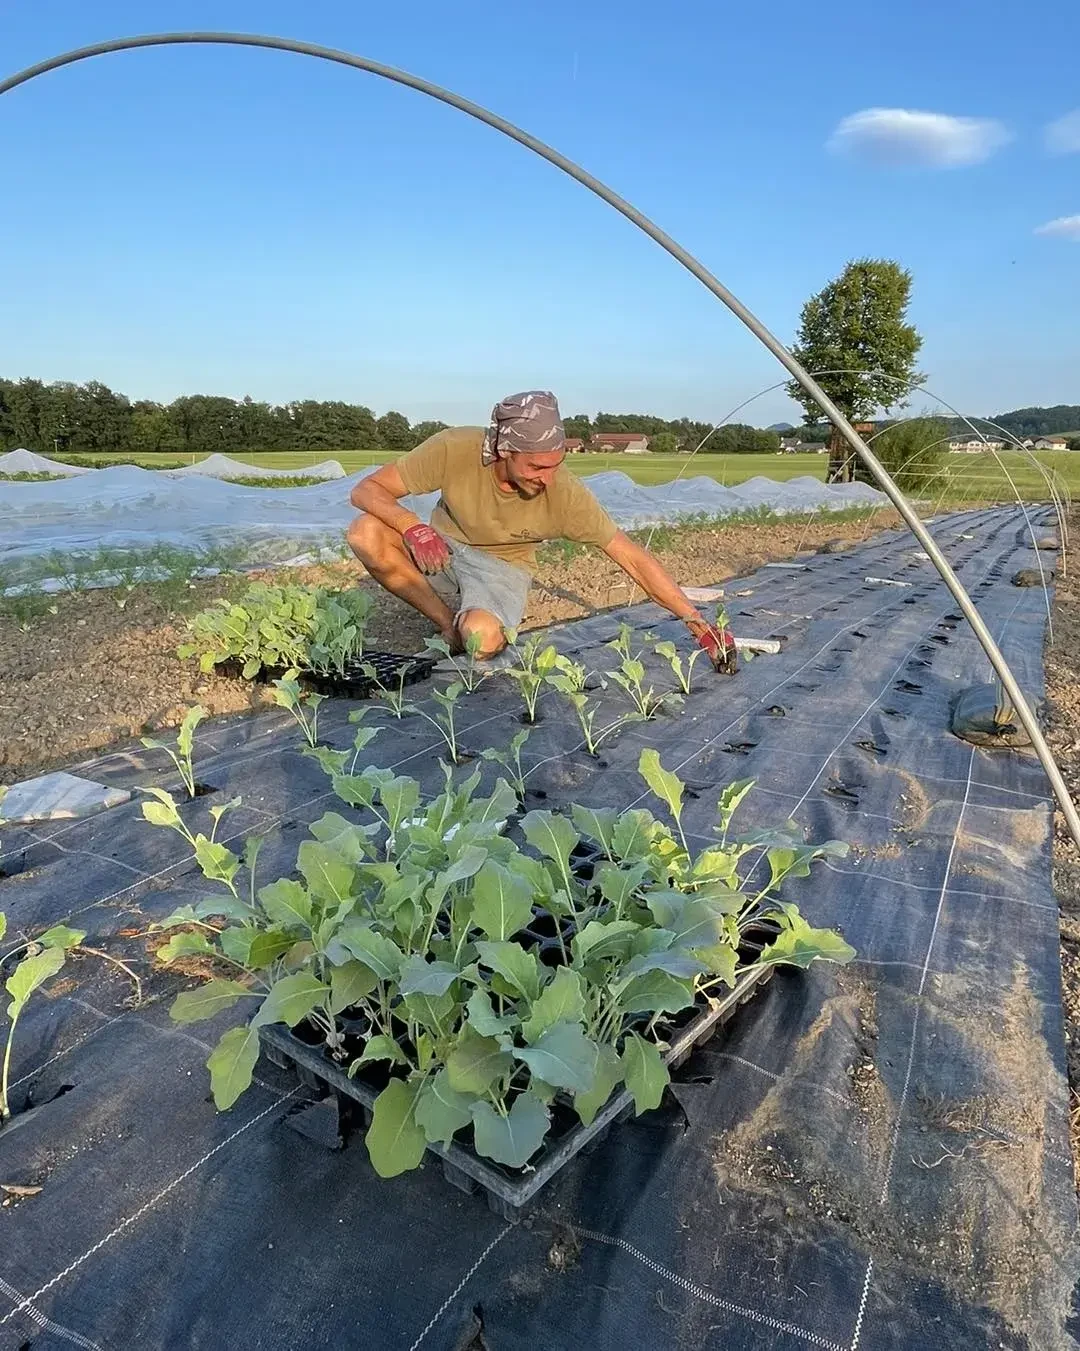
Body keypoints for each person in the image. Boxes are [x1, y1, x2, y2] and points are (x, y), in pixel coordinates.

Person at [347, 390, 735, 668]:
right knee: (366, 532)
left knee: (481, 639)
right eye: (536, 467)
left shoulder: (563, 493)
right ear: (504, 451)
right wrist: (412, 526)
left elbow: (631, 557)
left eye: (556, 464)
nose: (548, 478)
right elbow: (367, 490)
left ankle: (467, 626)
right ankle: (448, 626)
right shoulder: (455, 448)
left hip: (501, 567)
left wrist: (698, 624)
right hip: (443, 548)